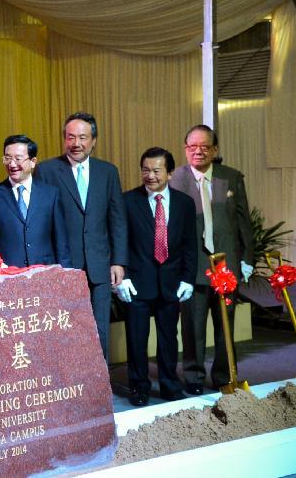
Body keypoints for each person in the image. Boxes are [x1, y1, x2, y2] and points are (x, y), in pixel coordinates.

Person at [34, 112, 128, 362]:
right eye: (70, 137)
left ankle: (99, 389)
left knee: (99, 330)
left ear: (94, 140)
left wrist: (118, 261)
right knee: (66, 330)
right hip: (63, 266)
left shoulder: (108, 172)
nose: (76, 143)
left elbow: (117, 219)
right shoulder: (47, 171)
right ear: (64, 139)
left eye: (83, 137)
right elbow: (40, 222)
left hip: (100, 266)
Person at [169, 124, 254, 393]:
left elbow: (244, 222)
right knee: (192, 327)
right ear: (185, 149)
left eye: (204, 146)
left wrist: (247, 258)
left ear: (215, 150)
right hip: (191, 268)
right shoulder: (174, 180)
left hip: (226, 266)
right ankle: (193, 377)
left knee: (225, 325)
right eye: (192, 146)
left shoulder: (231, 178)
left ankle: (225, 376)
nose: (198, 151)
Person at [117, 148, 196, 406]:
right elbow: (120, 241)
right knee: (137, 339)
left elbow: (189, 245)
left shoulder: (184, 203)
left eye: (156, 170)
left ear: (170, 173)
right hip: (138, 282)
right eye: (145, 170)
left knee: (168, 338)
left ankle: (170, 384)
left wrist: (188, 278)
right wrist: (123, 276)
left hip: (171, 282)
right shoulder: (127, 201)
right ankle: (139, 387)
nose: (149, 176)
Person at [0, 134, 71, 268]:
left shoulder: (51, 195)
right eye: (7, 158)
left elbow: (61, 241)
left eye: (18, 158)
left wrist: (66, 275)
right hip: (8, 277)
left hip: (45, 274)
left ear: (33, 161)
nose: (12, 164)